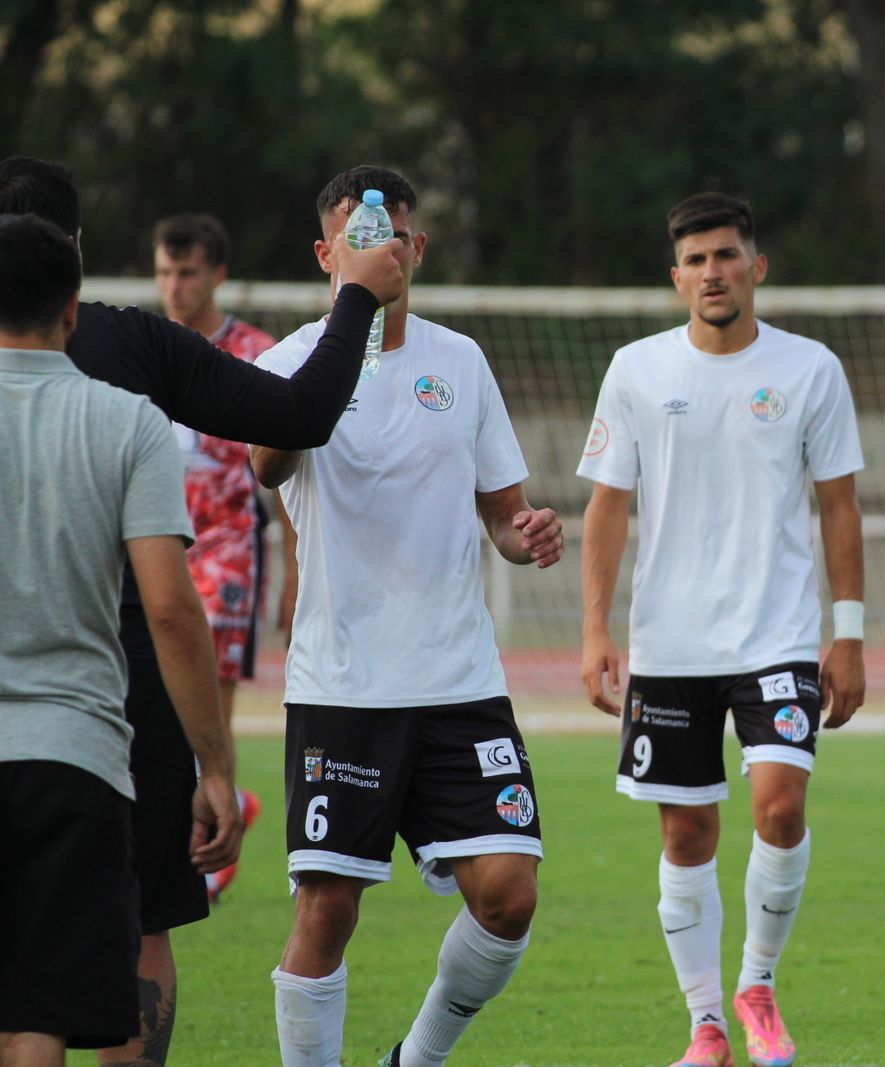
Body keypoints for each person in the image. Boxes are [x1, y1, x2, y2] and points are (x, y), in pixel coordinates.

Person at [0, 155, 402, 1067]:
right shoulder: (130, 373)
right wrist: (356, 296)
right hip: (111, 700)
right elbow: (297, 415)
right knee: (138, 922)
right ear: (74, 262)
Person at [249, 164, 564, 1067]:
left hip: (458, 680)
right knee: (327, 910)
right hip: (344, 685)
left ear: (416, 248)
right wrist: (347, 321)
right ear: (326, 254)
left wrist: (525, 534)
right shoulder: (289, 362)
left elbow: (502, 514)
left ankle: (414, 1060)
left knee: (509, 894)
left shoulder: (460, 361)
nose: (376, 249)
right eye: (355, 236)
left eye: (388, 235)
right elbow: (268, 464)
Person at [578, 192, 866, 1067]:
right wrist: (594, 629)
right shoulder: (636, 369)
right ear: (677, 278)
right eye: (696, 260)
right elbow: (607, 507)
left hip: (777, 635)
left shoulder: (811, 369)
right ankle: (706, 1024)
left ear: (756, 267)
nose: (713, 272)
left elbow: (839, 506)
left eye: (727, 255)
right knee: (686, 835)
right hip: (671, 645)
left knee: (780, 805)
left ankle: (758, 985)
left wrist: (848, 632)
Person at [0, 213, 241, 1065]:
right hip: (73, 755)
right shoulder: (128, 421)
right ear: (73, 308)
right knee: (37, 1011)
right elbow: (171, 609)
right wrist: (215, 767)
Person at [153, 212, 276, 901]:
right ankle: (215, 818)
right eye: (165, 272)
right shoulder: (146, 347)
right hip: (156, 546)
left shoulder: (254, 352)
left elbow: (286, 463)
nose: (174, 286)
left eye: (188, 272)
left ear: (218, 275)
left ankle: (209, 843)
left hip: (228, 551)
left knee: (208, 713)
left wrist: (294, 567)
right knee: (156, 703)